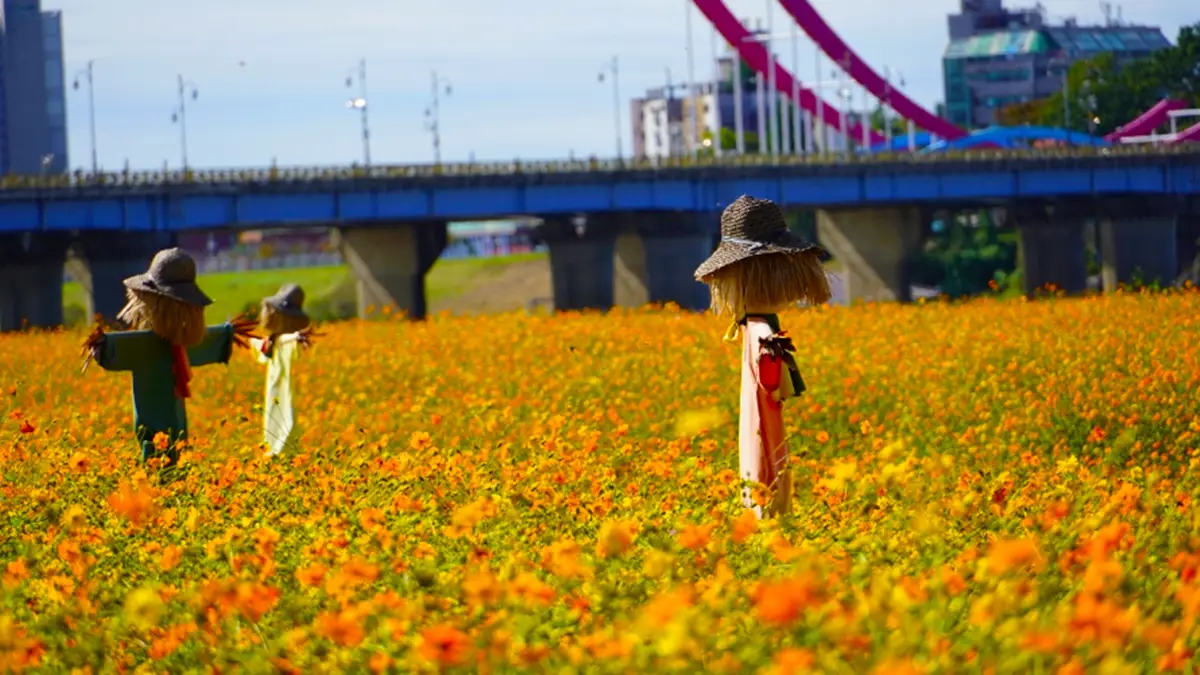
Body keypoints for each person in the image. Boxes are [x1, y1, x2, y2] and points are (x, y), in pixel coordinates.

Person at [694, 196, 832, 518]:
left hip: (763, 453)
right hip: (765, 448)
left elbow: (770, 388)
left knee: (764, 492)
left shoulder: (758, 333)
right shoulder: (761, 332)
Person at [81, 247, 255, 468]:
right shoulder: (181, 342)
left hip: (163, 434)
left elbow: (108, 350)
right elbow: (214, 340)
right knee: (166, 452)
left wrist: (100, 345)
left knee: (162, 456)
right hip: (167, 432)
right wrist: (229, 334)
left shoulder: (149, 345)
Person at [249, 283, 317, 457]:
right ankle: (275, 452)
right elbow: (261, 346)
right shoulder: (273, 341)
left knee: (286, 419)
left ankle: (280, 453)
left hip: (285, 390)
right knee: (274, 419)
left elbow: (288, 340)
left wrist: (296, 337)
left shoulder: (285, 341)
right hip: (276, 391)